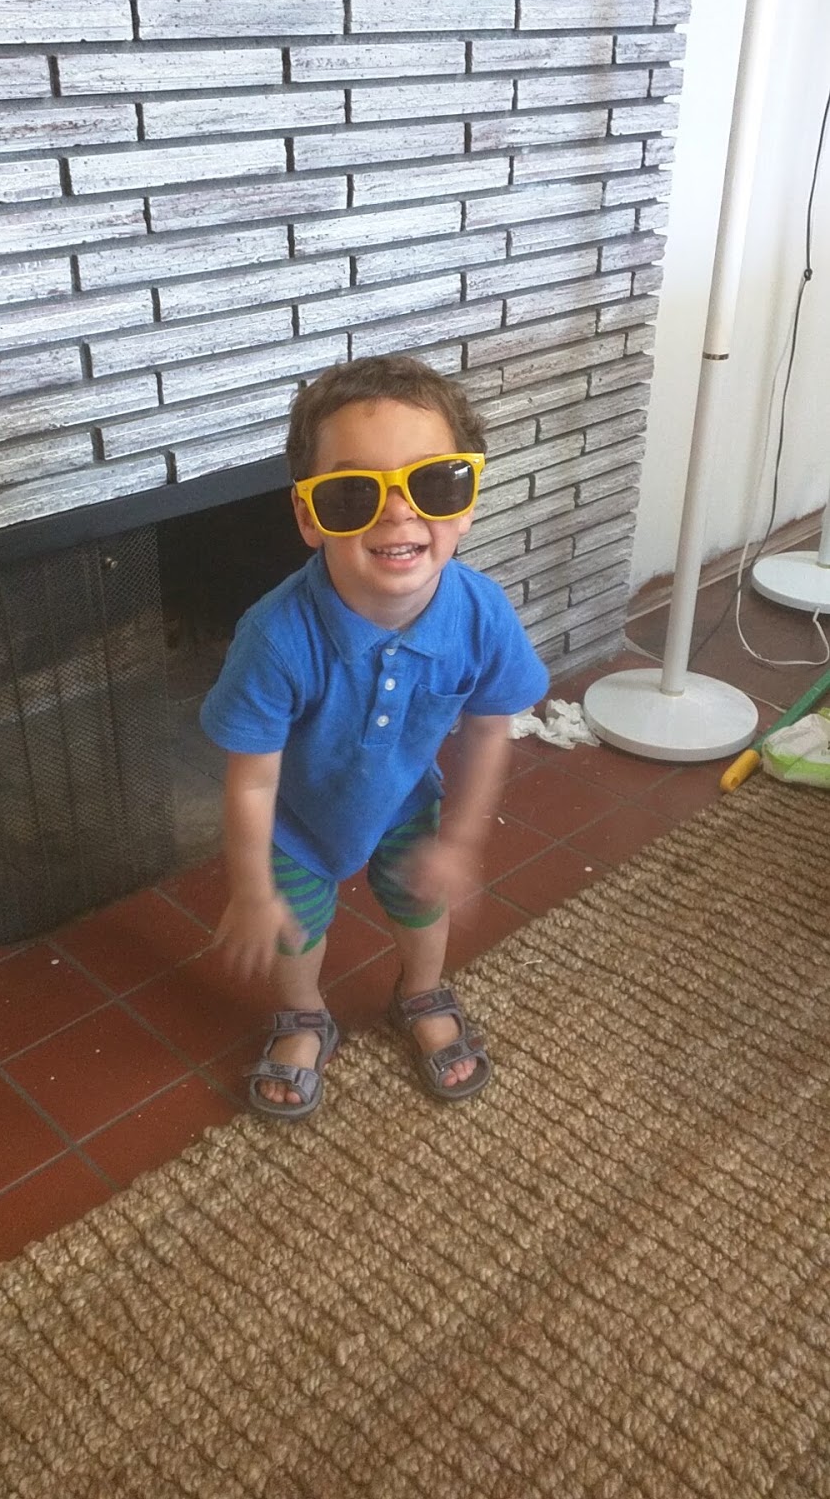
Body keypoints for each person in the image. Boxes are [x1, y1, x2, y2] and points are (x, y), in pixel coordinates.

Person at [200, 353, 548, 1120]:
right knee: (294, 933)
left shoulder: (481, 614)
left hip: (402, 800)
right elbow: (251, 777)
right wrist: (252, 888)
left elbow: (490, 728)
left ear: (466, 503)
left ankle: (420, 991)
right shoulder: (274, 637)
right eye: (353, 493)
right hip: (293, 821)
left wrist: (460, 841)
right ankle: (303, 1016)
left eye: (434, 484)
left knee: (422, 905)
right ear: (309, 517)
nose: (398, 514)